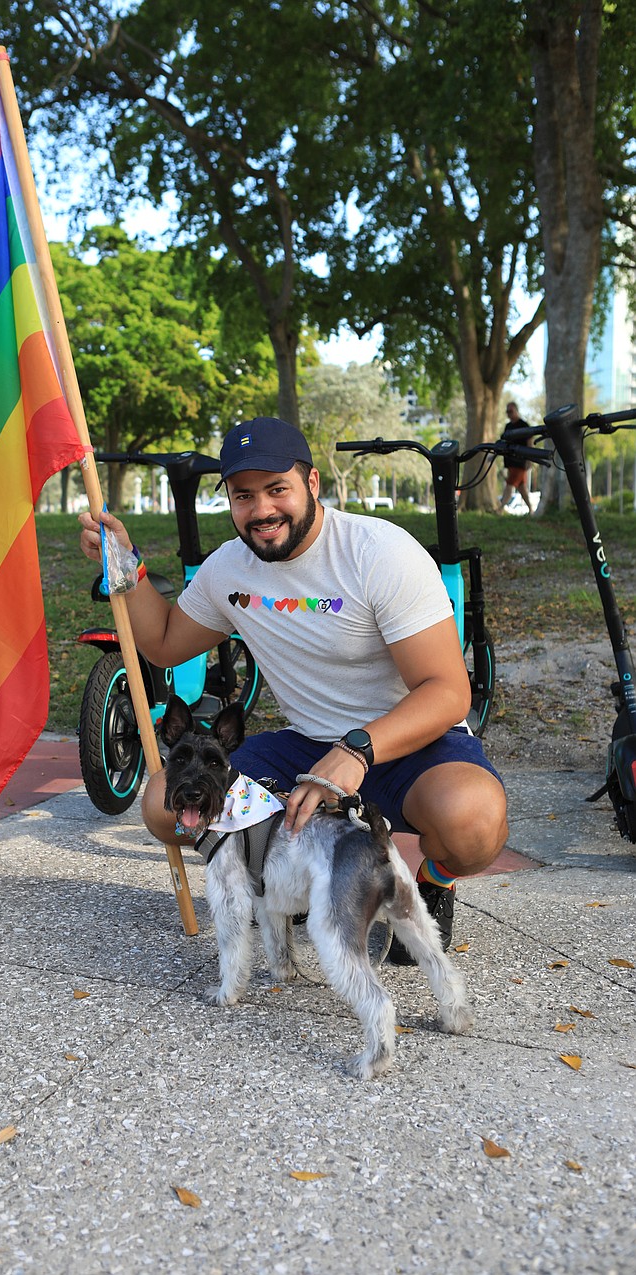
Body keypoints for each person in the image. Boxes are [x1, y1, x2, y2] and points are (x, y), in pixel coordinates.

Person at [78, 417, 508, 962]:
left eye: (276, 489)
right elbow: (164, 642)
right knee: (165, 806)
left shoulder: (380, 553)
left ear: (312, 484)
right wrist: (129, 567)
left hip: (409, 741)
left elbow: (448, 691)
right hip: (303, 744)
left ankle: (433, 884)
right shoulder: (227, 571)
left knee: (473, 823)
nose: (261, 510)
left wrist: (357, 750)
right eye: (243, 496)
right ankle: (293, 877)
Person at [498, 401, 535, 512]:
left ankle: (500, 509)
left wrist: (529, 459)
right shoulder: (508, 426)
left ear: (516, 411)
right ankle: (531, 510)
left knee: (509, 485)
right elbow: (504, 443)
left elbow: (530, 443)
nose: (508, 414)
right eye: (507, 411)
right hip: (510, 462)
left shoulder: (524, 425)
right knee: (522, 488)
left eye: (511, 411)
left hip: (520, 462)